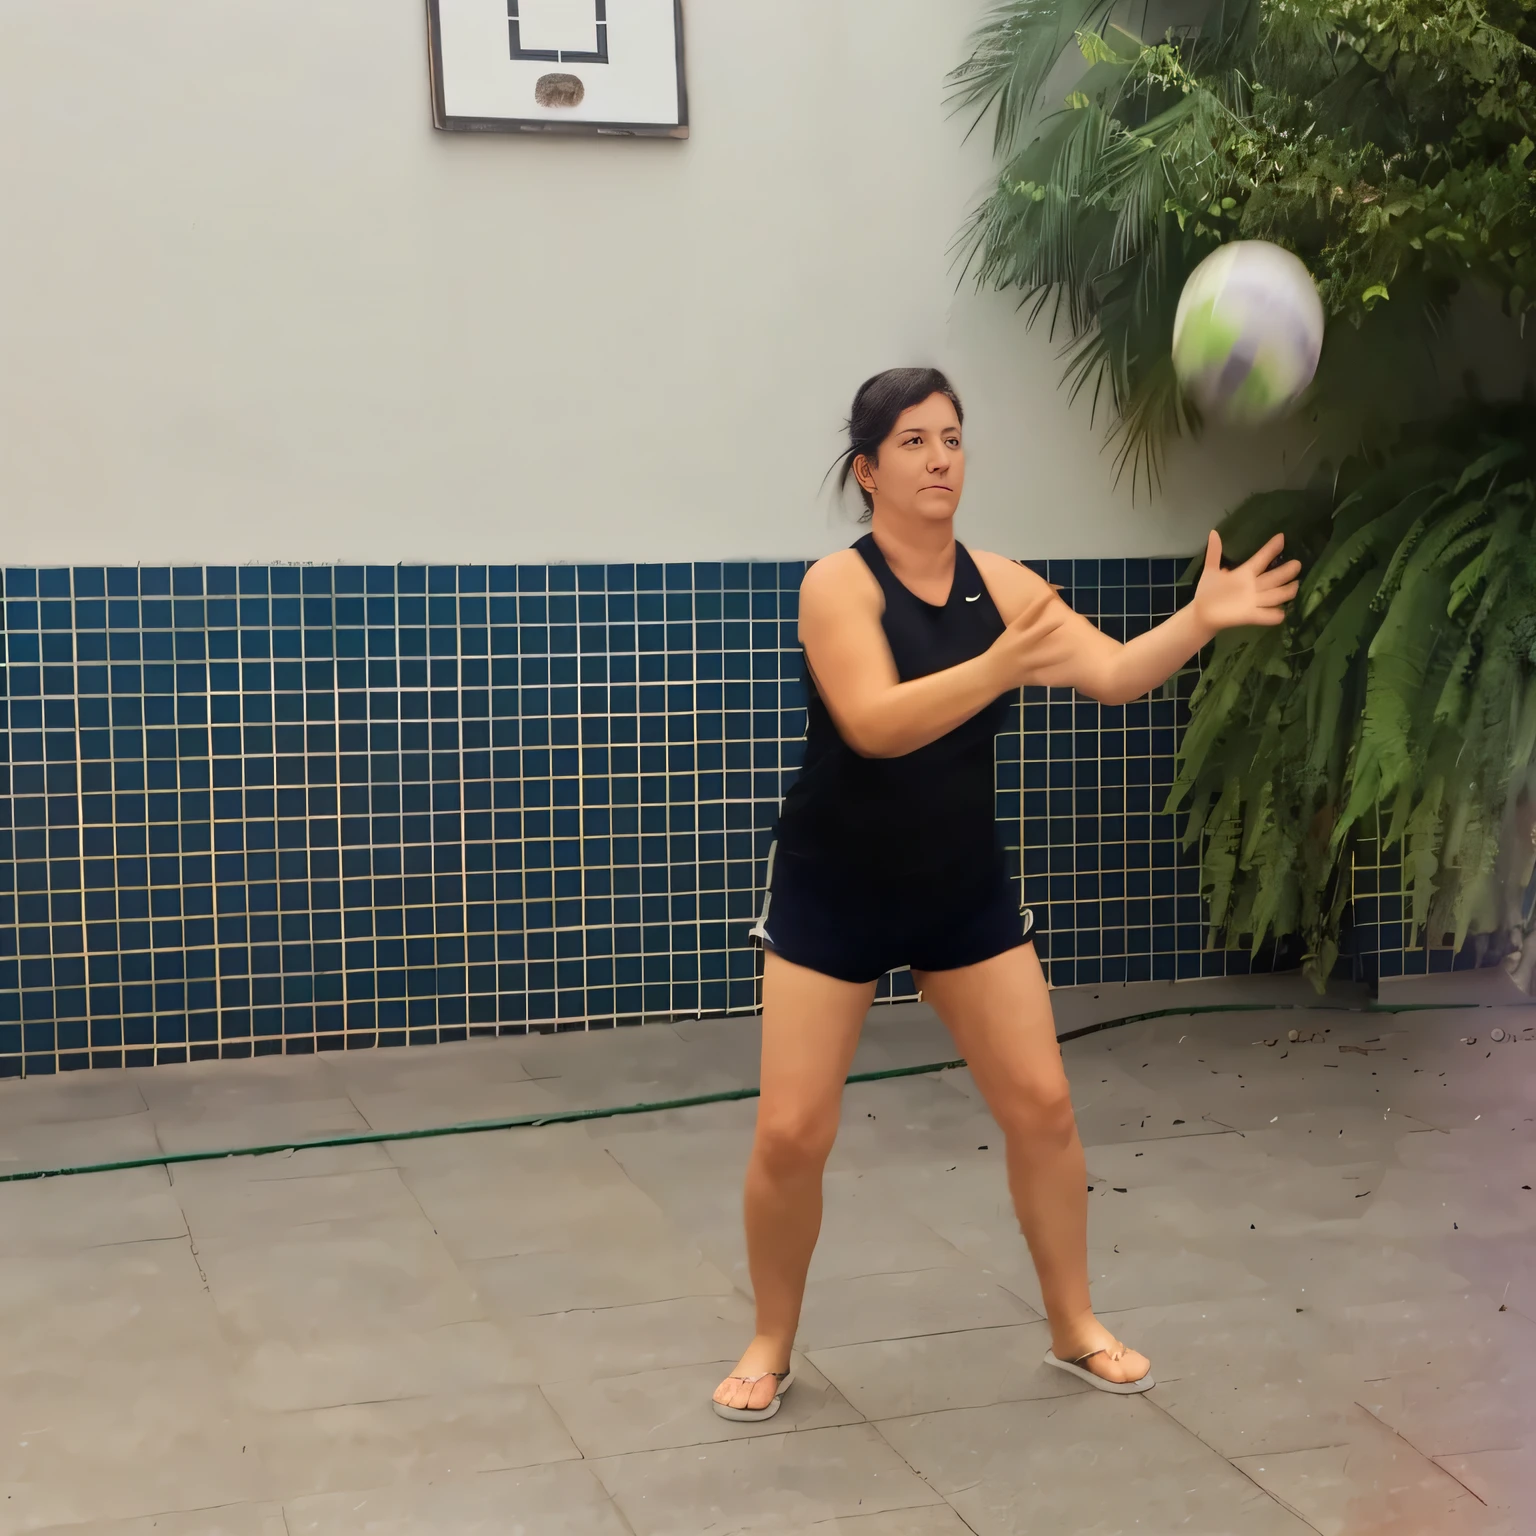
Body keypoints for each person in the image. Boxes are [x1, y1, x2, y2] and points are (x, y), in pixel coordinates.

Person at [711, 367, 1301, 1420]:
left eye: (952, 438)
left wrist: (1200, 621)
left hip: (960, 887)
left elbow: (1115, 672)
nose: (940, 458)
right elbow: (876, 722)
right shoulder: (836, 587)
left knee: (1042, 1107)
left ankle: (1074, 1327)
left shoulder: (1006, 588)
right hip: (833, 889)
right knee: (791, 1135)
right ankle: (770, 1339)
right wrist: (998, 666)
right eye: (913, 442)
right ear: (868, 470)